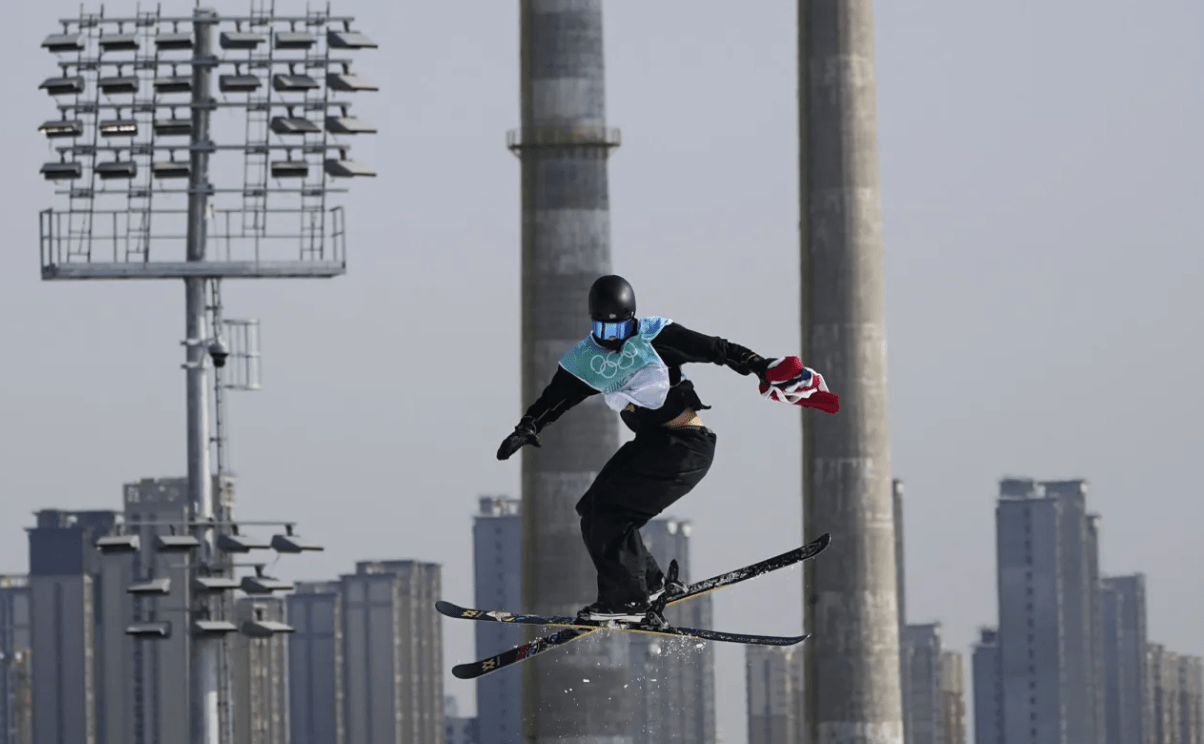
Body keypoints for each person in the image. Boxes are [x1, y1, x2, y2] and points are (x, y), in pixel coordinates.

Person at [495, 274, 835, 626]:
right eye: (604, 332)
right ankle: (652, 586)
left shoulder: (656, 337)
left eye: (619, 332)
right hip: (652, 445)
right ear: (593, 324)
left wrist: (759, 365)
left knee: (613, 514)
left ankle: (627, 602)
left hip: (685, 448)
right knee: (592, 511)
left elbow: (717, 349)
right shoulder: (587, 360)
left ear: (633, 320)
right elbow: (556, 398)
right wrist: (528, 425)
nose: (612, 341)